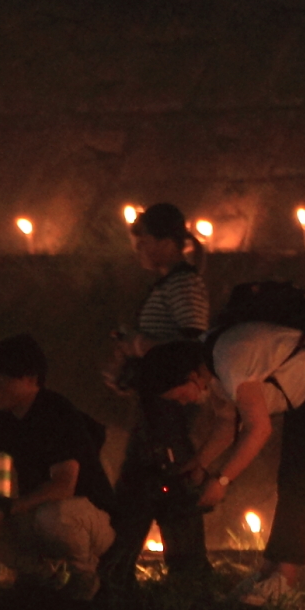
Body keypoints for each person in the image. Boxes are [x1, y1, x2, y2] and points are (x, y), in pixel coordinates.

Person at [132, 293, 305, 602]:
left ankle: (285, 581)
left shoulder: (228, 357)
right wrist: (199, 464)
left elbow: (258, 429)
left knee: (296, 481)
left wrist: (222, 481)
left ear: (188, 377)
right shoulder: (209, 364)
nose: (184, 402)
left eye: (178, 395)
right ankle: (269, 572)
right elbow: (228, 426)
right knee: (291, 480)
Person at [0, 334, 117, 598]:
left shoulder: (56, 412)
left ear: (31, 379)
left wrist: (3, 511)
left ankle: (86, 576)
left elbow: (63, 485)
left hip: (88, 518)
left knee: (53, 516)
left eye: (0, 379)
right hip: (35, 513)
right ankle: (43, 576)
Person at [98, 203, 212, 590]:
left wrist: (138, 345)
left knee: (166, 481)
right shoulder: (168, 284)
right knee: (145, 484)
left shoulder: (184, 284)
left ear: (166, 241)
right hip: (155, 401)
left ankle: (180, 576)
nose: (139, 250)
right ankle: (124, 573)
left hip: (170, 404)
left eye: (143, 241)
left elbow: (192, 342)